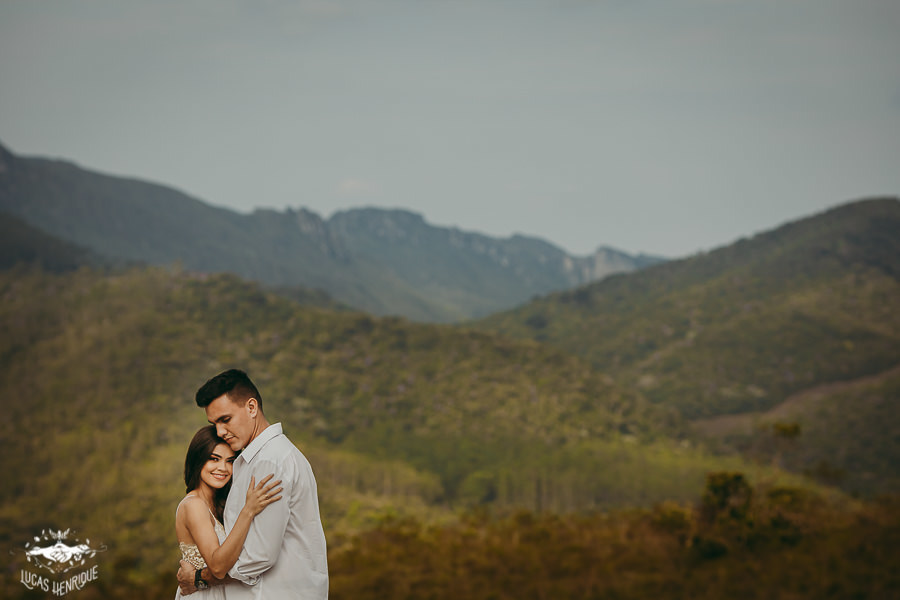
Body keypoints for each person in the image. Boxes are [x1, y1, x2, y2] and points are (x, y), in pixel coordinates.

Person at [177, 369, 328, 599]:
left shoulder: (269, 461)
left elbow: (258, 557)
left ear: (251, 407)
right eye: (214, 423)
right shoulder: (257, 459)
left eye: (225, 419)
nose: (220, 431)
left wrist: (199, 578)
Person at [175, 425, 283, 599]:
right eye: (214, 459)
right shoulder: (193, 505)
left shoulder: (222, 503)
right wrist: (248, 511)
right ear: (198, 459)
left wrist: (196, 577)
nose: (223, 468)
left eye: (230, 461)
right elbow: (218, 567)